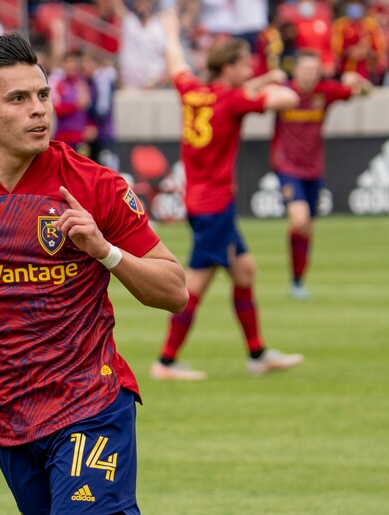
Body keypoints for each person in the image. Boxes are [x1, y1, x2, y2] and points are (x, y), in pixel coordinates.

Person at [0, 33, 188, 513]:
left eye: (43, 95)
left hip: (92, 404)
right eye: (19, 99)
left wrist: (105, 251)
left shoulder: (94, 184)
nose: (39, 110)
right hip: (8, 418)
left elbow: (174, 291)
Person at [151, 9, 304, 381]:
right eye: (245, 63)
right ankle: (166, 362)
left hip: (202, 201)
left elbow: (177, 64)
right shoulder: (232, 100)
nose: (250, 68)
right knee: (194, 285)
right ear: (228, 67)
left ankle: (257, 354)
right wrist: (268, 83)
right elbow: (288, 99)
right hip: (214, 205)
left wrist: (171, 33)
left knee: (245, 270)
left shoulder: (194, 92)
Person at [271, 50, 371, 300]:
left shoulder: (325, 92)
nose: (310, 74)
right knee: (299, 220)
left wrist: (358, 80)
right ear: (295, 70)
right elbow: (252, 95)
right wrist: (267, 79)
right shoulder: (284, 93)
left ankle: (297, 281)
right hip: (287, 166)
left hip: (314, 168)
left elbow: (366, 93)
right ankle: (296, 281)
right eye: (306, 69)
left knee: (308, 228)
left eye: (315, 69)